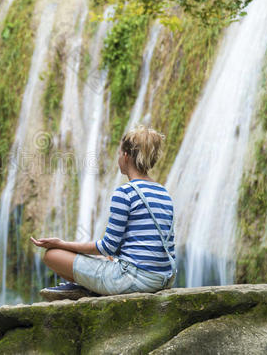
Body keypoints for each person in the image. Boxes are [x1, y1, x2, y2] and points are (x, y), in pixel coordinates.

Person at [30, 124, 176, 300]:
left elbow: (107, 247)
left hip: (133, 280)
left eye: (119, 154)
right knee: (107, 260)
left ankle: (88, 289)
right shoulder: (163, 192)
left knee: (53, 255)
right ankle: (89, 287)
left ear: (126, 156)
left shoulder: (125, 193)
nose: (118, 159)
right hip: (163, 278)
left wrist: (62, 244)